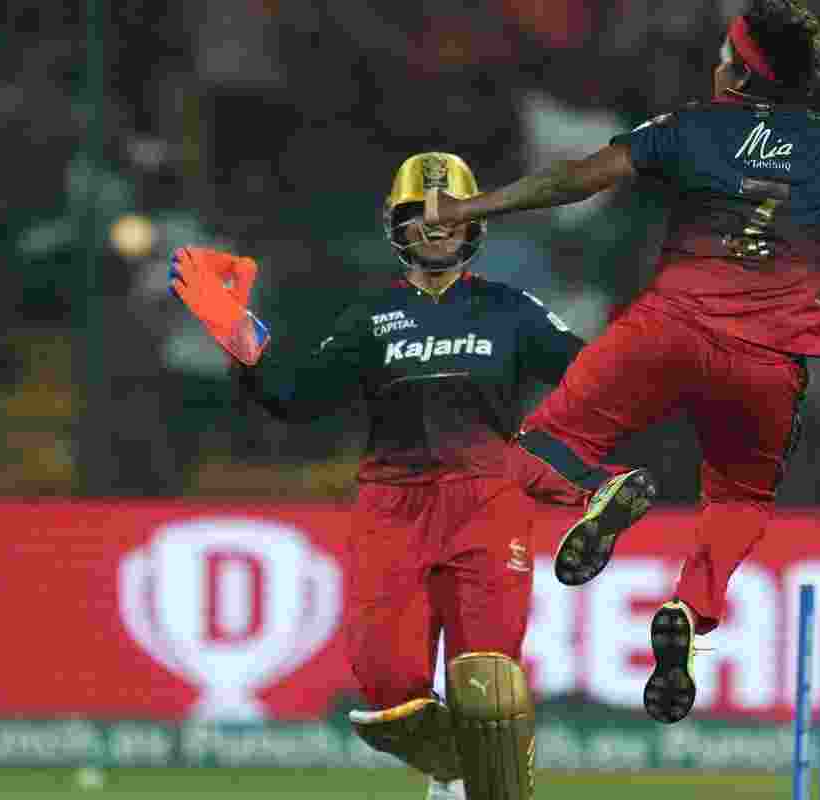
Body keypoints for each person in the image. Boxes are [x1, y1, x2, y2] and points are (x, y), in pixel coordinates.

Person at [425, 0, 820, 724]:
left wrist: (470, 209)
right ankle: (689, 609)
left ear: (740, 71)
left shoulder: (692, 125)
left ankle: (600, 490)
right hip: (769, 357)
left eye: (725, 53)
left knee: (542, 447)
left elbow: (578, 178)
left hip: (667, 329)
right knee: (738, 502)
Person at [171, 152, 585, 800]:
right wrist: (236, 331)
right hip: (393, 507)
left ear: (475, 222)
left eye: (452, 212)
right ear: (396, 224)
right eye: (421, 213)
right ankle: (457, 776)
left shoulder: (511, 309)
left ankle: (479, 790)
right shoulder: (370, 317)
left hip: (487, 502)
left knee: (487, 677)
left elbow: (592, 378)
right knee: (387, 685)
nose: (438, 225)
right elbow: (295, 399)